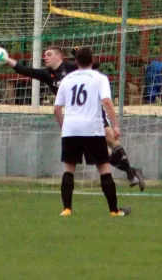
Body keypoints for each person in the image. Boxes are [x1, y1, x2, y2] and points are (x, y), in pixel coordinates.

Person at [2, 45, 145, 191]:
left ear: (59, 56)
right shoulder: (46, 74)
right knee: (103, 152)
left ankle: (130, 174)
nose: (45, 57)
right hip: (77, 118)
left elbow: (93, 65)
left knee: (110, 138)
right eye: (45, 54)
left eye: (49, 54)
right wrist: (7, 60)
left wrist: (78, 54)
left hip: (93, 111)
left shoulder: (71, 68)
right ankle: (132, 172)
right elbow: (25, 70)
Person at [54, 47, 130, 216]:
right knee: (103, 166)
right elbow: (107, 102)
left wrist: (63, 127)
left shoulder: (67, 79)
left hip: (71, 129)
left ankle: (66, 209)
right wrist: (115, 126)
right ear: (92, 60)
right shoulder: (99, 78)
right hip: (92, 129)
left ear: (76, 61)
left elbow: (56, 109)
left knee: (69, 168)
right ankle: (114, 210)